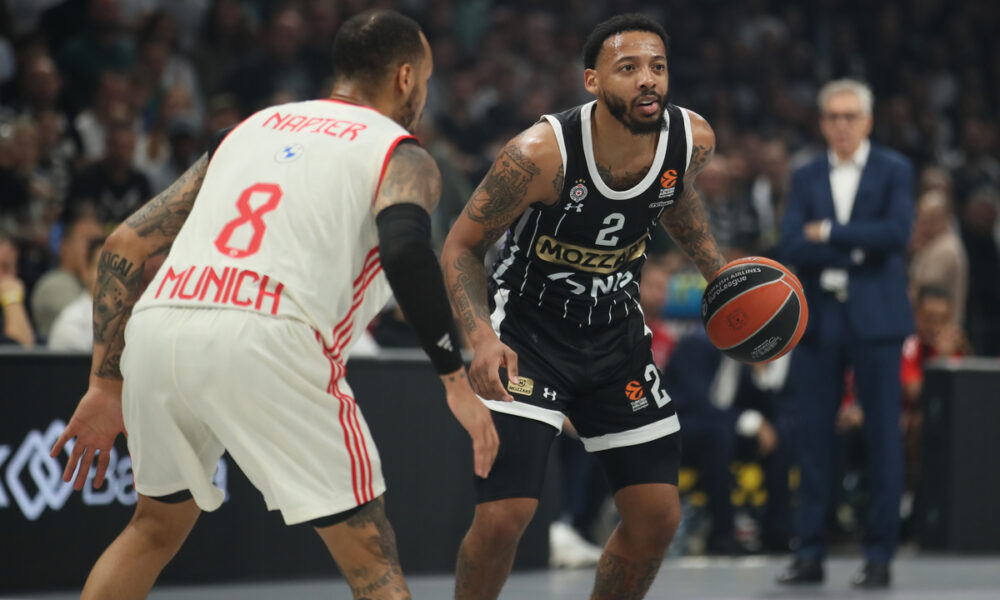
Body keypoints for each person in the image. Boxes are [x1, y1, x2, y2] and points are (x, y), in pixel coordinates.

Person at [49, 10, 498, 600]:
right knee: (370, 557)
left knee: (152, 528)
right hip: (271, 333)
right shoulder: (401, 153)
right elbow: (408, 253)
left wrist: (105, 387)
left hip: (160, 328)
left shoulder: (249, 129)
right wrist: (454, 379)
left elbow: (124, 243)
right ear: (407, 78)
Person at [442, 14, 727, 599]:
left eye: (658, 67)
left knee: (657, 518)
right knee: (504, 518)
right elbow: (462, 247)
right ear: (593, 81)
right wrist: (481, 338)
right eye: (629, 68)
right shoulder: (540, 153)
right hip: (528, 338)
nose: (648, 80)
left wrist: (715, 269)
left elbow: (671, 195)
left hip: (615, 340)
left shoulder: (691, 139)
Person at [777, 78, 914, 589]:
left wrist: (829, 232)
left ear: (868, 122)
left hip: (877, 321)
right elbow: (792, 240)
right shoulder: (806, 173)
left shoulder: (895, 168)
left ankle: (880, 556)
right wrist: (858, 246)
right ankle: (809, 551)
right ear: (821, 121)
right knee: (812, 438)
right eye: (833, 116)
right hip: (820, 320)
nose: (841, 124)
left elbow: (897, 233)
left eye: (850, 116)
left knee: (883, 438)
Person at [31, 209, 104, 338]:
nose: (97, 250)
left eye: (101, 243)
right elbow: (92, 323)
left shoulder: (86, 284)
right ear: (64, 245)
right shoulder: (54, 284)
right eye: (89, 242)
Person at [48, 236, 105, 351]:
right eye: (101, 267)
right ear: (86, 271)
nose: (111, 276)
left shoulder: (136, 317)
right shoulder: (70, 324)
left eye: (118, 268)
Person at [0, 232, 36, 347]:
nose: (7, 280)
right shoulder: (12, 297)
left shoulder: (23, 299)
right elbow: (19, 353)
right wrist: (11, 298)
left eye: (7, 268)